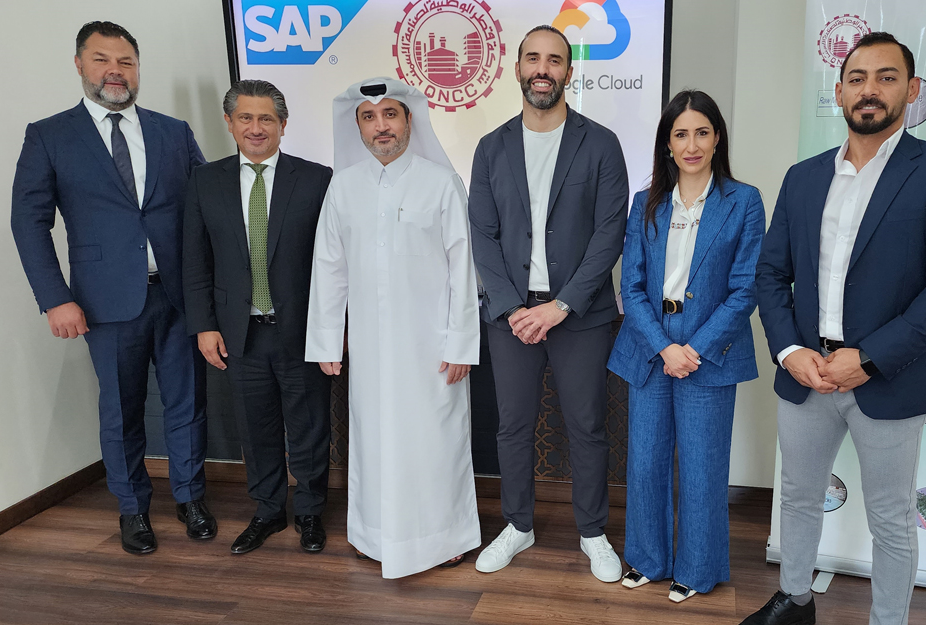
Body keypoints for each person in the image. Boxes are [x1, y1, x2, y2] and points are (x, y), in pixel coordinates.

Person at [739, 32, 926, 625]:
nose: (868, 89)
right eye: (856, 77)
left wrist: (868, 357)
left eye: (885, 77)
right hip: (806, 371)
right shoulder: (804, 176)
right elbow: (771, 274)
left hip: (889, 377)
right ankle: (795, 597)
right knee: (797, 497)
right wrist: (791, 351)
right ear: (840, 90)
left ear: (911, 89)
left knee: (890, 520)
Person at [11, 21, 212, 555]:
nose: (115, 71)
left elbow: (204, 208)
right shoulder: (49, 135)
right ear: (80, 64)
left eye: (126, 61)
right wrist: (55, 298)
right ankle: (132, 508)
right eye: (102, 60)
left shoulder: (174, 131)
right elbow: (28, 221)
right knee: (121, 410)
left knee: (188, 403)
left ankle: (191, 498)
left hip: (179, 295)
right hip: (104, 302)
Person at [469, 25, 629, 582]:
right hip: (511, 316)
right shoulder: (491, 147)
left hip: (579, 315)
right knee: (513, 426)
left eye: (554, 60)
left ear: (568, 71)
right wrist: (514, 308)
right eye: (533, 59)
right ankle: (518, 525)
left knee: (587, 425)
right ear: (517, 69)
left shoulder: (601, 143)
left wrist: (560, 306)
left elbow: (610, 233)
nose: (543, 69)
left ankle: (593, 532)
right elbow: (483, 235)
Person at [305, 77, 481, 578]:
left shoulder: (441, 182)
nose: (380, 126)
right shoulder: (343, 187)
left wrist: (461, 344)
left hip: (432, 348)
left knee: (434, 443)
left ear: (408, 121)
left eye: (390, 115)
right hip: (369, 347)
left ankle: (445, 538)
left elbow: (463, 269)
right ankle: (374, 536)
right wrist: (326, 339)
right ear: (357, 127)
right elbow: (329, 268)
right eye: (369, 117)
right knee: (374, 441)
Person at [607, 90, 765, 601]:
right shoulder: (646, 203)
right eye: (681, 134)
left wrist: (693, 348)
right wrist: (663, 347)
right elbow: (631, 286)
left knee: (702, 467)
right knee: (646, 462)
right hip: (650, 347)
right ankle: (647, 560)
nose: (691, 145)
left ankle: (697, 570)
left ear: (717, 138)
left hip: (708, 351)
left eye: (701, 133)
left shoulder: (744, 201)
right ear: (667, 144)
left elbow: (745, 288)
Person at [183, 80, 333, 554]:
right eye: (245, 117)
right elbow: (195, 260)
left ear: (283, 125)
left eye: (266, 118)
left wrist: (335, 328)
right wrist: (204, 325)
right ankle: (267, 511)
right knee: (255, 428)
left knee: (309, 426)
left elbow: (335, 262)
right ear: (229, 123)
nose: (256, 127)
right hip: (238, 332)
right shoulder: (205, 180)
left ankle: (309, 512)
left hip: (302, 330)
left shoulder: (317, 179)